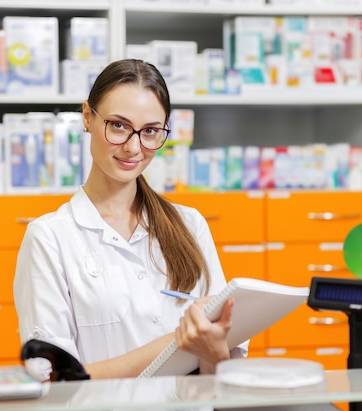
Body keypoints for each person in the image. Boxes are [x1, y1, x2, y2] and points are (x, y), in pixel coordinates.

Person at [13, 58, 247, 381]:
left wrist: (214, 349)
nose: (134, 147)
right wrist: (180, 341)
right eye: (119, 126)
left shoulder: (190, 226)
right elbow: (52, 380)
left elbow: (222, 373)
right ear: (87, 117)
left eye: (150, 131)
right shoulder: (49, 238)